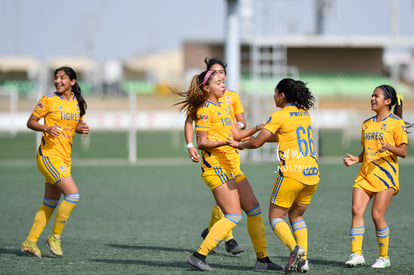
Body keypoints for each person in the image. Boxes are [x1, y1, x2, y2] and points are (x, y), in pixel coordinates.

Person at [175, 70, 282, 272]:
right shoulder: (205, 110)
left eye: (223, 81)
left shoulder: (223, 106)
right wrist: (225, 142)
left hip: (232, 168)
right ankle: (198, 256)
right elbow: (202, 142)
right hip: (216, 168)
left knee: (254, 210)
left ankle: (262, 259)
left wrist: (257, 128)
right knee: (233, 215)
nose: (223, 85)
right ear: (207, 88)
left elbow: (236, 134)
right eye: (218, 82)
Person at [233, 78, 319, 273]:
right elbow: (281, 136)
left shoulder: (279, 115)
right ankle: (304, 260)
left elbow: (257, 143)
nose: (273, 96)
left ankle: (296, 251)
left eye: (275, 92)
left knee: (275, 217)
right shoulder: (303, 113)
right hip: (312, 174)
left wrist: (239, 144)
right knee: (296, 216)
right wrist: (250, 138)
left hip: (291, 175)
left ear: (282, 96)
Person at [21, 66, 89, 258]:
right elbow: (30, 122)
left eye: (62, 78)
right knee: (73, 196)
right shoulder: (48, 100)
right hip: (48, 156)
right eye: (56, 78)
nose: (58, 81)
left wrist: (81, 129)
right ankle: (55, 236)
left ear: (72, 82)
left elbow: (74, 126)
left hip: (65, 158)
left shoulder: (78, 104)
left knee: (50, 202)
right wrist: (46, 128)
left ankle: (30, 242)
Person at [343, 85, 409, 269]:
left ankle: (384, 257)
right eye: (371, 95)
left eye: (376, 96)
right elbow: (367, 150)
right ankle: (356, 254)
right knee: (356, 211)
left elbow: (403, 152)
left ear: (388, 101)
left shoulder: (397, 123)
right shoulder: (366, 123)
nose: (372, 98)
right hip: (365, 175)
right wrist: (357, 159)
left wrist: (389, 147)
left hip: (386, 177)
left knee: (376, 215)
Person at [185, 57, 246, 255]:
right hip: (216, 161)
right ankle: (227, 240)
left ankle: (211, 232)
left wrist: (245, 130)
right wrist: (190, 145)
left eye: (221, 73)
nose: (219, 77)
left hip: (231, 157)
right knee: (231, 209)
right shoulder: (205, 105)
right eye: (214, 74)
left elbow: (240, 123)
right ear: (207, 82)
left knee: (228, 205)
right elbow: (195, 130)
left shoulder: (230, 98)